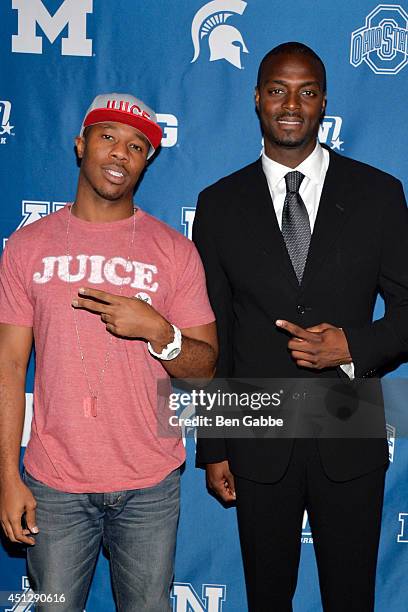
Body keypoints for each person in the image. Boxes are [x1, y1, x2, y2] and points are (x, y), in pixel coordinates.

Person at [193, 42, 408, 611]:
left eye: (307, 91)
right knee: (267, 598)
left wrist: (353, 345)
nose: (292, 104)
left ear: (324, 103)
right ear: (257, 99)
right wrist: (214, 444)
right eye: (278, 90)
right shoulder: (218, 204)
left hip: (350, 427)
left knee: (351, 598)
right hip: (258, 434)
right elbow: (218, 335)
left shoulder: (379, 194)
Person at [0, 92, 217, 611]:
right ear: (81, 145)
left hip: (149, 485)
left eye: (137, 146)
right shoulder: (27, 248)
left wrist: (158, 330)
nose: (121, 153)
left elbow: (205, 368)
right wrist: (7, 474)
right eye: (108, 138)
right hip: (53, 485)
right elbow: (9, 365)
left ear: (147, 161)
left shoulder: (174, 251)